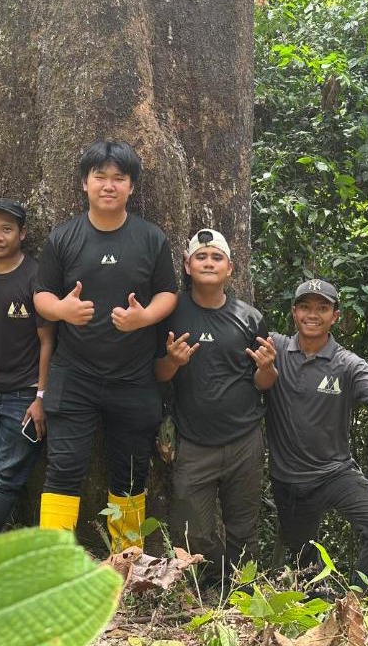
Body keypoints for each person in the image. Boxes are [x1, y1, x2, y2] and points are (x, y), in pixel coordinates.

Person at [33, 139, 178, 551]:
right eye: (101, 176)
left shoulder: (150, 238)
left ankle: (127, 560)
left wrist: (144, 318)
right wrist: (62, 311)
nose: (109, 185)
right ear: (85, 183)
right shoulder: (64, 237)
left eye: (119, 178)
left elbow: (168, 293)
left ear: (132, 187)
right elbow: (41, 294)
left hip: (133, 377)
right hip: (74, 374)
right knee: (64, 468)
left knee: (131, 472)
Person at [265, 278, 368, 585]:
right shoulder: (275, 348)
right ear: (294, 312)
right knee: (304, 569)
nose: (312, 314)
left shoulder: (347, 364)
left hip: (334, 474)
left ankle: (356, 601)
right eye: (305, 307)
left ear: (336, 316)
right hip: (288, 481)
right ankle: (322, 608)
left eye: (322, 308)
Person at [155, 228, 278, 584]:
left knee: (244, 527)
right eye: (201, 256)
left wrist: (268, 367)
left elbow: (262, 382)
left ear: (230, 268)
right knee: (192, 532)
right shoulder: (172, 311)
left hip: (244, 439)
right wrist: (173, 362)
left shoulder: (249, 317)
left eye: (216, 257)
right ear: (187, 265)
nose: (209, 262)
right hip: (193, 442)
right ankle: (213, 581)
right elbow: (158, 374)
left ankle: (242, 594)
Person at [0, 198, 56, 543]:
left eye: (6, 229)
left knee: (7, 475)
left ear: (22, 233)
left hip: (24, 393)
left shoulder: (35, 276)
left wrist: (41, 396)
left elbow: (48, 341)